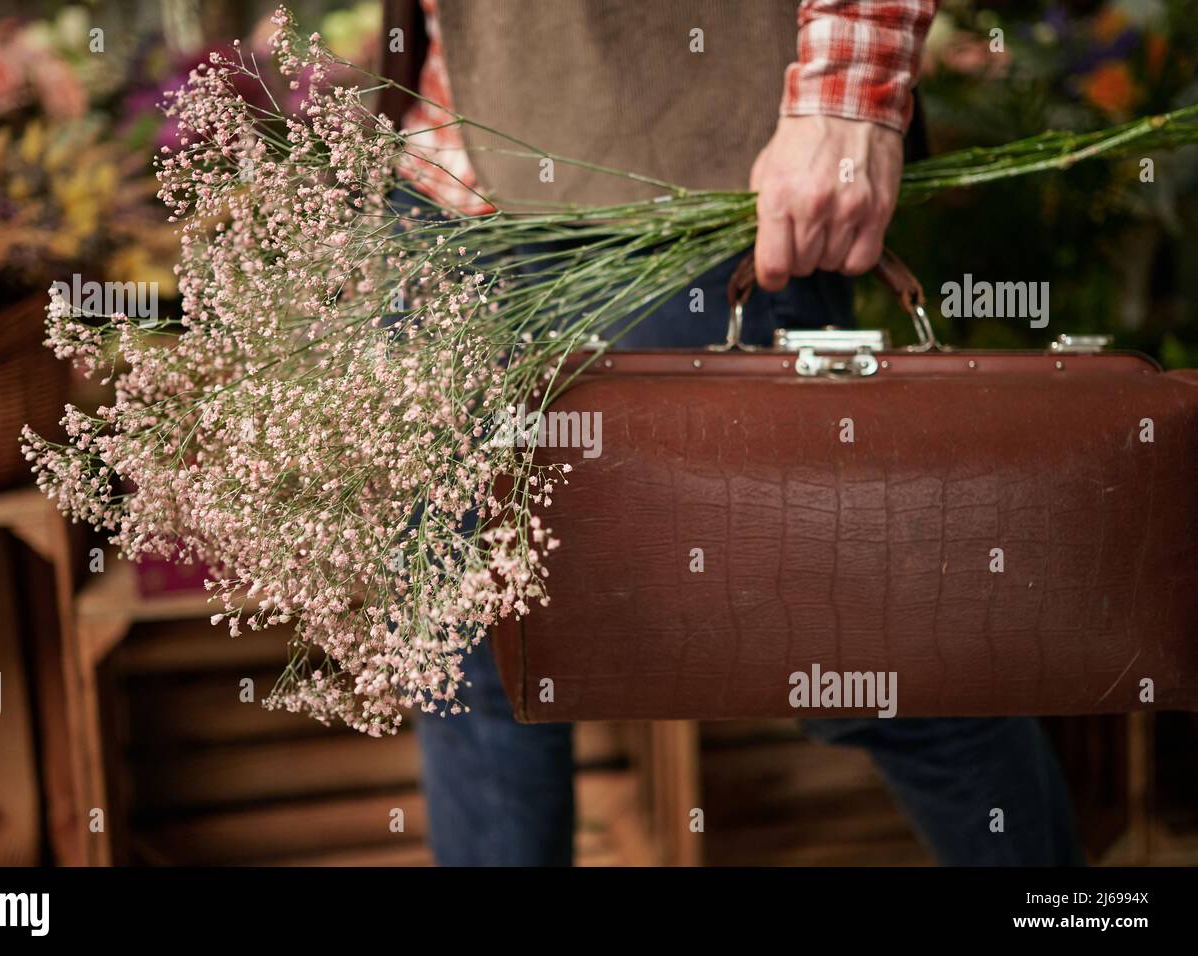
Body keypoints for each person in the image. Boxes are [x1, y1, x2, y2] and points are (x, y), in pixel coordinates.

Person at [380, 0, 1085, 867]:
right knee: (467, 648)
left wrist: (846, 97)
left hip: (693, 189)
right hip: (442, 180)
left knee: (871, 655)